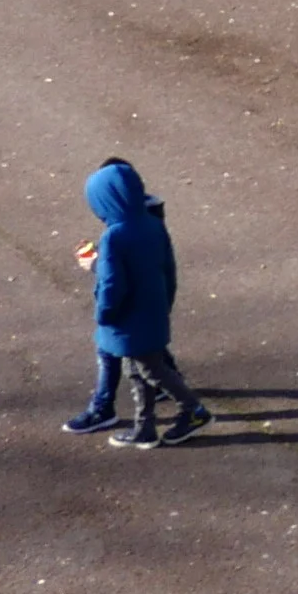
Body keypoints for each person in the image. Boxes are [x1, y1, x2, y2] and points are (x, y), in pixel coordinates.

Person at [65, 158, 207, 448]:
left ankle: (194, 411)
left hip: (127, 319)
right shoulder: (152, 225)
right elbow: (168, 268)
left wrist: (104, 312)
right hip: (152, 311)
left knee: (150, 370)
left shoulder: (114, 237)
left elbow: (112, 284)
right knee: (137, 370)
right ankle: (145, 427)